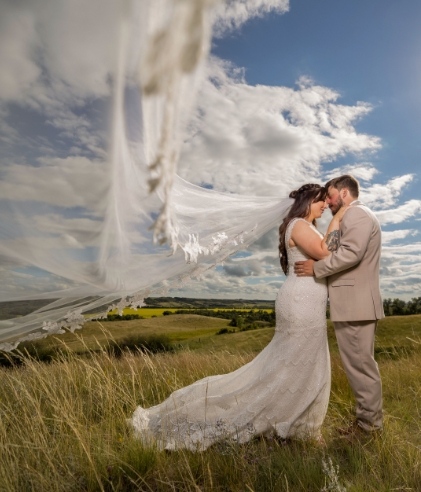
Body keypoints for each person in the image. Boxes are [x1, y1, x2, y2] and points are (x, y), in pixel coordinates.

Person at [129, 183, 346, 451]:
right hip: (300, 303)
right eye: (320, 200)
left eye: (327, 201)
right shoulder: (299, 224)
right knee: (292, 364)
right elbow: (326, 252)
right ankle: (286, 423)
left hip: (308, 302)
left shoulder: (307, 226)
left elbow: (324, 254)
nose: (325, 205)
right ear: (306, 201)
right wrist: (337, 219)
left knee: (297, 365)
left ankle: (295, 423)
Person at [294, 175, 384, 435]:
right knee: (360, 366)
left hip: (356, 305)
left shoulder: (357, 215)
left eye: (331, 196)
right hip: (355, 303)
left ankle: (368, 428)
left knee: (360, 368)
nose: (328, 202)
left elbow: (351, 253)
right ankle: (367, 423)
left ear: (344, 193)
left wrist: (317, 268)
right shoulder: (352, 216)